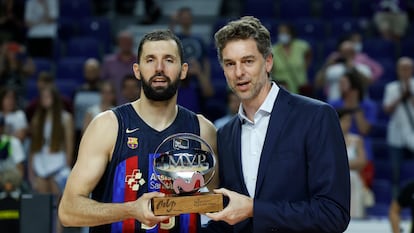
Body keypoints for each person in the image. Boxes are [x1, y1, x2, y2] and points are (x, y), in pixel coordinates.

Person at [58, 29, 217, 232]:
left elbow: (217, 206)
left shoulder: (203, 131)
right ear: (137, 70)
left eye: (169, 60)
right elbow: (68, 211)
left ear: (183, 70)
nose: (159, 68)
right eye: (150, 60)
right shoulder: (108, 126)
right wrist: (131, 210)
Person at [204, 16, 350, 233]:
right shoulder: (225, 134)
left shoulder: (316, 116)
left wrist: (255, 209)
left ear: (268, 62)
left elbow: (333, 214)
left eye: (248, 61)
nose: (239, 72)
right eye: (230, 64)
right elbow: (233, 221)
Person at [29, 85, 74, 195]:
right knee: (42, 197)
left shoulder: (66, 118)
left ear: (55, 98)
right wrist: (31, 173)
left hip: (58, 162)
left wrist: (67, 168)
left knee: (57, 196)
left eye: (47, 96)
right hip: (41, 160)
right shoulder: (37, 120)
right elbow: (33, 147)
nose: (45, 99)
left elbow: (69, 145)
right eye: (43, 97)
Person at [170, 7, 214, 114]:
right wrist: (172, 22)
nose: (185, 20)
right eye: (183, 17)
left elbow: (206, 62)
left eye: (188, 17)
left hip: (197, 83)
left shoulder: (199, 40)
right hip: (179, 83)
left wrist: (203, 76)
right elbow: (166, 41)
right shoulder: (176, 38)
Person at [383, 57, 414, 196]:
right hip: (396, 134)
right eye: (402, 69)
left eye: (408, 68)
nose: (405, 71)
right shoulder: (391, 87)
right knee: (395, 171)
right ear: (397, 70)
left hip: (412, 131)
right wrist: (401, 96)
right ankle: (396, 202)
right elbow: (387, 109)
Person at [337, 109, 369, 218]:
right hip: (336, 181)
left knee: (355, 212)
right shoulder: (329, 138)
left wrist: (339, 164)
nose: (348, 124)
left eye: (350, 121)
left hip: (353, 181)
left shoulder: (357, 140)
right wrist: (350, 164)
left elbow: (362, 162)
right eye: (345, 120)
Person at [271, 23, 312, 95]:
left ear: (291, 33)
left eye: (285, 32)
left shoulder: (301, 46)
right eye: (281, 32)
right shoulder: (274, 50)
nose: (282, 35)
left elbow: (309, 54)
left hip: (300, 88)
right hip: (282, 90)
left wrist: (305, 67)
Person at [101, 30, 136, 105]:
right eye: (123, 41)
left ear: (132, 43)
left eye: (128, 41)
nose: (125, 44)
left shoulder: (139, 61)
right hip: (113, 106)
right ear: (118, 43)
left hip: (136, 105)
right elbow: (103, 84)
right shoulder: (108, 62)